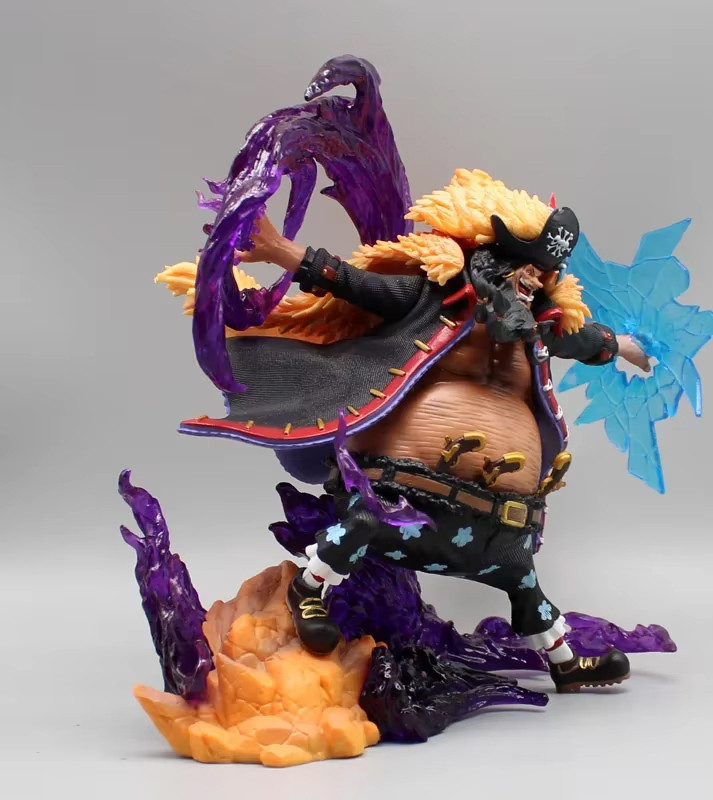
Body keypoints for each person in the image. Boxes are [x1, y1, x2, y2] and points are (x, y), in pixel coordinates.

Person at [163, 168, 650, 693]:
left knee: (520, 575)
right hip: (404, 486)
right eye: (523, 268)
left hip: (495, 514)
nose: (531, 281)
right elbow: (351, 282)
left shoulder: (538, 330)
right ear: (491, 259)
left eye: (542, 274)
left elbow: (586, 341)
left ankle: (565, 664)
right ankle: (309, 588)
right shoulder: (433, 299)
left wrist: (624, 346)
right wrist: (280, 249)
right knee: (366, 522)